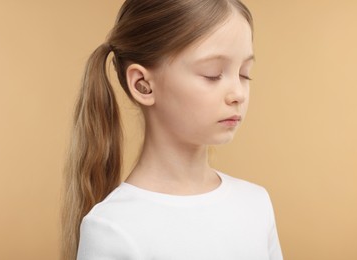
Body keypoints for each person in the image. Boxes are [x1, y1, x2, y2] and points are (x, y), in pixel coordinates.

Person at [61, 0, 283, 259]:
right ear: (143, 85)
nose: (238, 94)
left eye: (245, 74)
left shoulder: (255, 204)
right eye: (212, 74)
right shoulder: (113, 227)